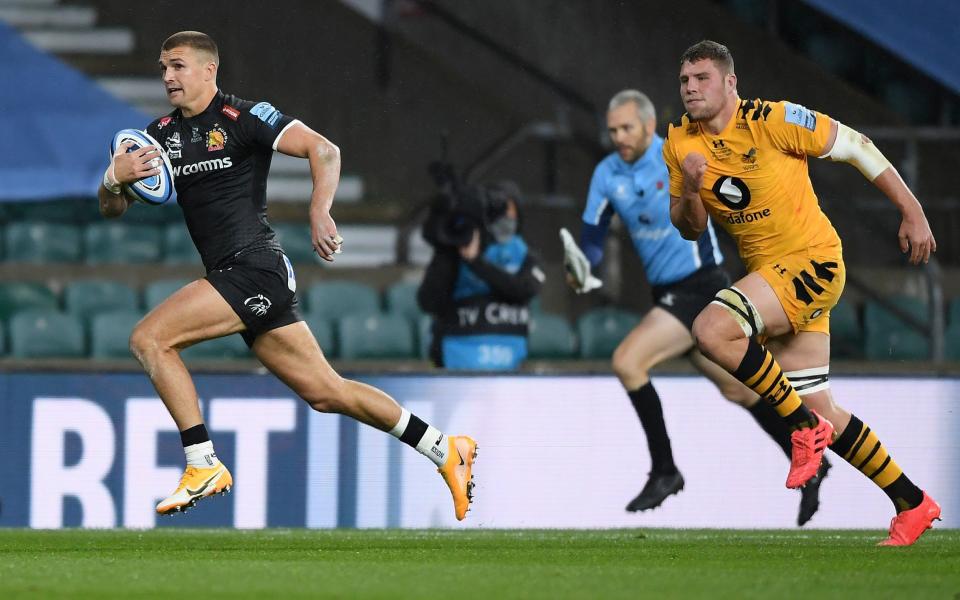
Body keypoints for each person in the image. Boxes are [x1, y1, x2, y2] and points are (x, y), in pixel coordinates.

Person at [97, 31, 476, 521]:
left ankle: (202, 462)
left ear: (210, 70)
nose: (168, 75)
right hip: (237, 275)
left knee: (150, 340)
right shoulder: (158, 136)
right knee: (327, 392)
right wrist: (113, 178)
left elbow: (325, 150)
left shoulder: (246, 116)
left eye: (178, 65)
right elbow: (113, 210)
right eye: (163, 67)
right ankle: (445, 449)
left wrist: (321, 211)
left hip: (254, 267)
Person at [665, 40, 940, 545]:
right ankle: (912, 501)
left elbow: (856, 145)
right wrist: (687, 188)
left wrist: (912, 209)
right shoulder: (680, 142)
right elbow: (688, 227)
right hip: (774, 279)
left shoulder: (773, 120)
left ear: (730, 82)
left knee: (711, 329)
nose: (690, 89)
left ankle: (798, 429)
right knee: (822, 411)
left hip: (811, 262)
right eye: (684, 80)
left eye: (701, 78)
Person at [567, 89, 829, 524]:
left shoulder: (676, 155)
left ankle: (665, 471)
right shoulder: (605, 173)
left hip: (700, 286)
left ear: (650, 126)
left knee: (628, 362)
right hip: (669, 296)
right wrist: (583, 266)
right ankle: (806, 449)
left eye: (627, 127)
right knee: (740, 390)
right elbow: (592, 238)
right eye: (613, 129)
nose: (619, 137)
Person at [418, 181, 545, 370]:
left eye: (507, 213)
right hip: (453, 369)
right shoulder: (453, 251)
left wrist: (476, 262)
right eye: (495, 214)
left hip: (510, 370)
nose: (502, 220)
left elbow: (525, 289)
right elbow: (428, 302)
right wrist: (447, 251)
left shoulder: (525, 254)